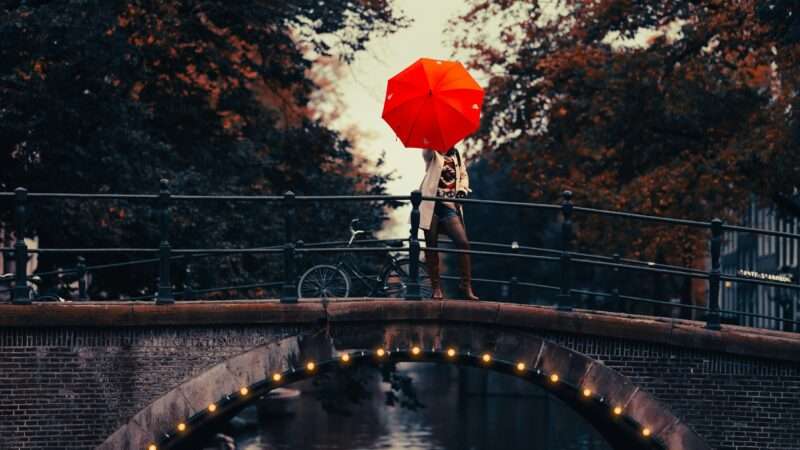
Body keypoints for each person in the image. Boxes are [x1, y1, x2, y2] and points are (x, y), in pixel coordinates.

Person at [419, 147, 478, 300]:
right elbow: (426, 154)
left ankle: (466, 285)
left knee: (463, 243)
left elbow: (464, 175)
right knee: (431, 246)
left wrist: (462, 190)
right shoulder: (432, 153)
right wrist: (431, 144)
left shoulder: (456, 155)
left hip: (449, 206)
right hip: (431, 205)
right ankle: (436, 288)